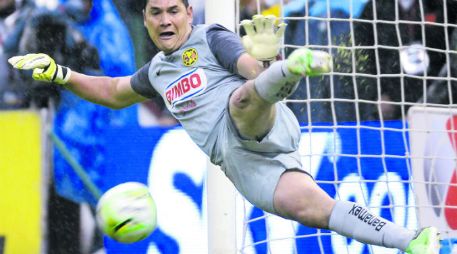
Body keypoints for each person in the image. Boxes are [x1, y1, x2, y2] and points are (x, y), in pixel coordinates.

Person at [8, 0, 439, 253]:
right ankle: (414, 241)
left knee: (241, 100)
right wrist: (60, 74)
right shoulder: (157, 70)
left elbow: (248, 67)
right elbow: (113, 90)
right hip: (247, 166)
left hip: (258, 119)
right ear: (145, 20)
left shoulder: (211, 36)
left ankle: (291, 67)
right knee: (314, 209)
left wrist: (267, 61)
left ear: (188, 12)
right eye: (155, 13)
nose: (164, 20)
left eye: (173, 10)